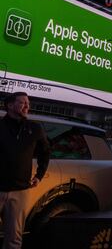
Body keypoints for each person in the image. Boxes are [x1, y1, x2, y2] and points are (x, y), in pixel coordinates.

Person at [0, 92, 50, 249]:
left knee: (14, 238)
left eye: (28, 103)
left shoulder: (34, 128)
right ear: (10, 105)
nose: (27, 106)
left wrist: (39, 175)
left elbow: (45, 153)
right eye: (22, 102)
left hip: (20, 191)